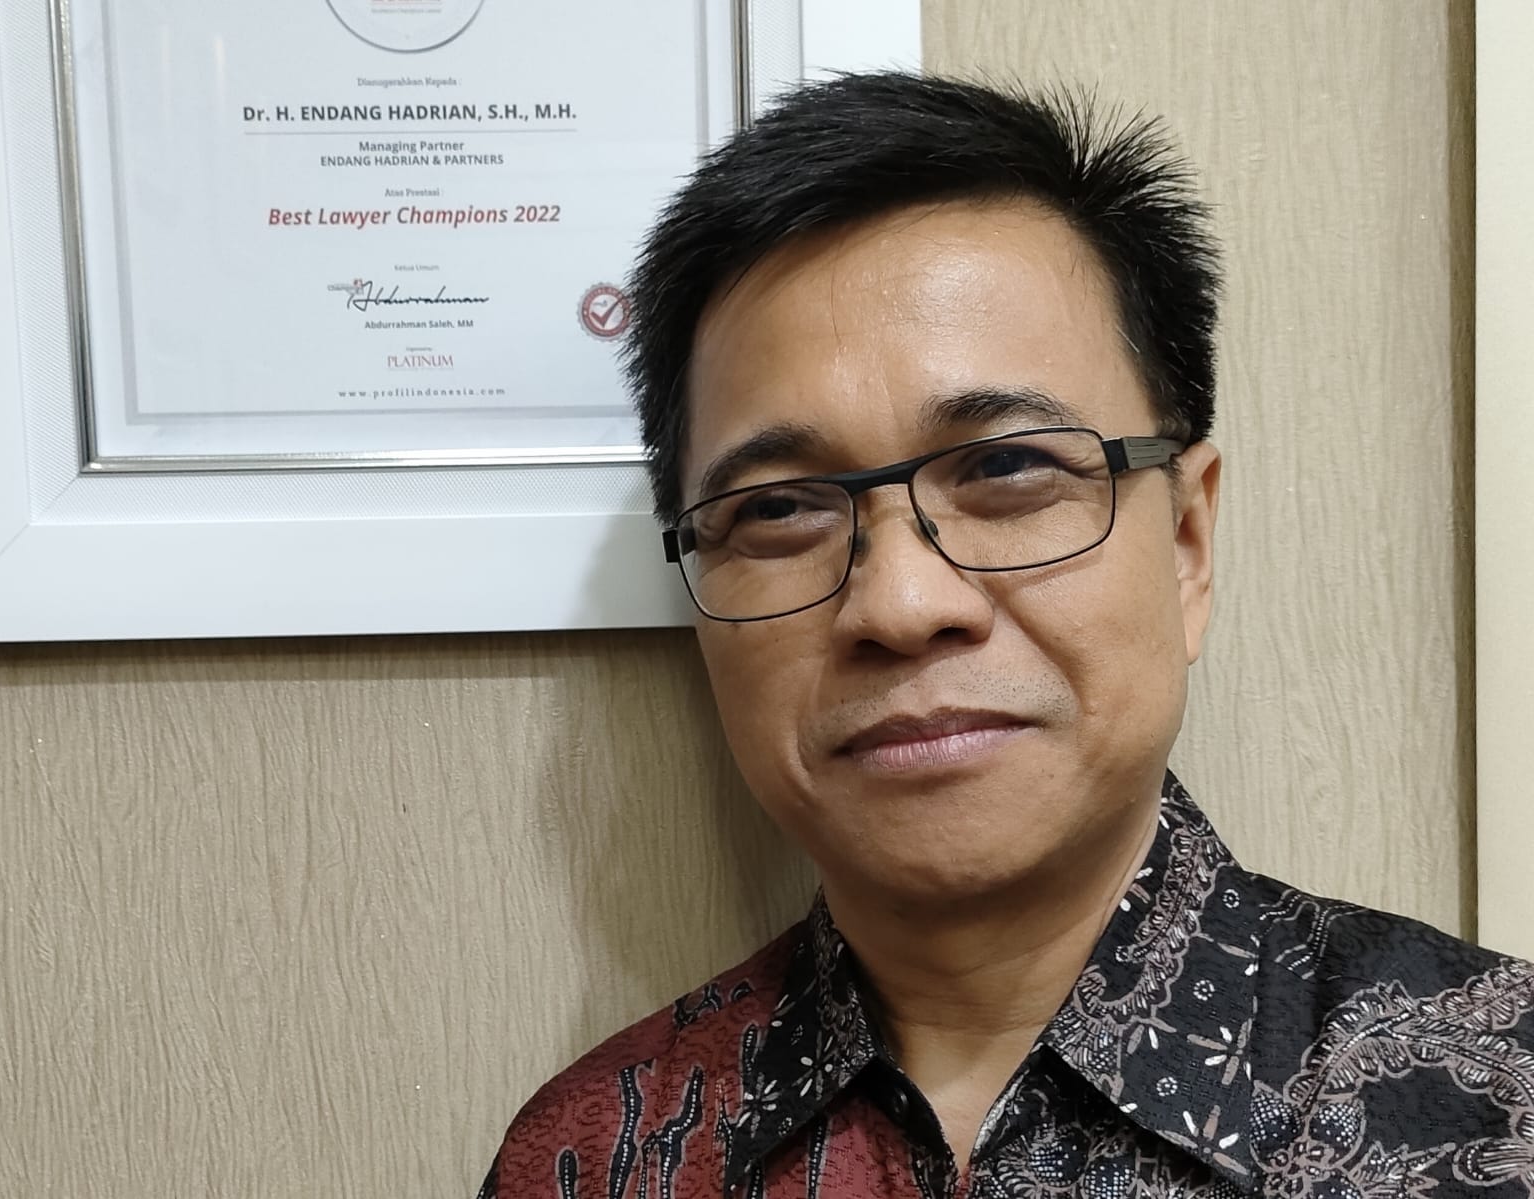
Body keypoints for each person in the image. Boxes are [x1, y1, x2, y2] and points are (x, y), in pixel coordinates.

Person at [480, 72, 1533, 1198]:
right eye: (779, 508)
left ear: (1186, 539)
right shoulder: (596, 1153)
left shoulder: (1495, 1100)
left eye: (1008, 466)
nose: (900, 604)